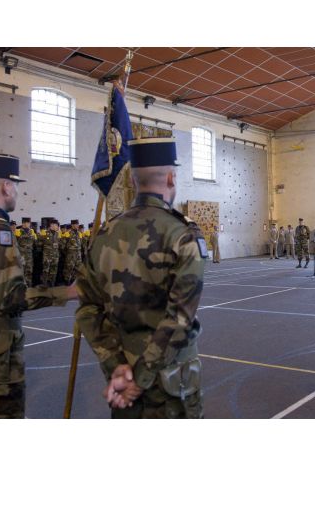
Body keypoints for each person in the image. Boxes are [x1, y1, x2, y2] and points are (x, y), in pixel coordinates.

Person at [76, 136, 207, 419]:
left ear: (134, 181)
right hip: (170, 385)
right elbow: (179, 319)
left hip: (122, 380)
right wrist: (141, 378)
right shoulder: (182, 235)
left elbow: (88, 309)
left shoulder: (104, 234)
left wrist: (117, 367)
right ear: (171, 177)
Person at [0, 154, 76, 418]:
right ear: (6, 186)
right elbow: (10, 297)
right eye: (15, 184)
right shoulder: (1, 233)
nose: (17, 190)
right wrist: (69, 292)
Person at [15, 217, 37, 287]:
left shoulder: (32, 232)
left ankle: (29, 288)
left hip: (29, 256)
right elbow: (14, 244)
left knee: (29, 272)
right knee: (21, 273)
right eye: (24, 223)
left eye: (27, 223)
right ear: (22, 223)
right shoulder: (18, 231)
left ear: (30, 224)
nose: (25, 224)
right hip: (21, 256)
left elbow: (35, 243)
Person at [40, 219, 61, 287]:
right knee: (45, 271)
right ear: (51, 225)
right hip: (47, 256)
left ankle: (52, 285)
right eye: (55, 225)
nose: (56, 227)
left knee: (53, 272)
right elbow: (39, 244)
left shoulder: (58, 234)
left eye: (57, 225)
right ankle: (44, 286)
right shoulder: (45, 233)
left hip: (55, 256)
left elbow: (59, 245)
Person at [62, 219, 83, 284]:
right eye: (74, 224)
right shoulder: (68, 234)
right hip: (70, 256)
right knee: (68, 270)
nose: (76, 226)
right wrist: (68, 254)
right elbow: (62, 246)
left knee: (77, 270)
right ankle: (67, 283)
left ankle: (74, 283)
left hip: (78, 256)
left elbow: (81, 244)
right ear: (72, 225)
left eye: (77, 224)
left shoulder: (79, 234)